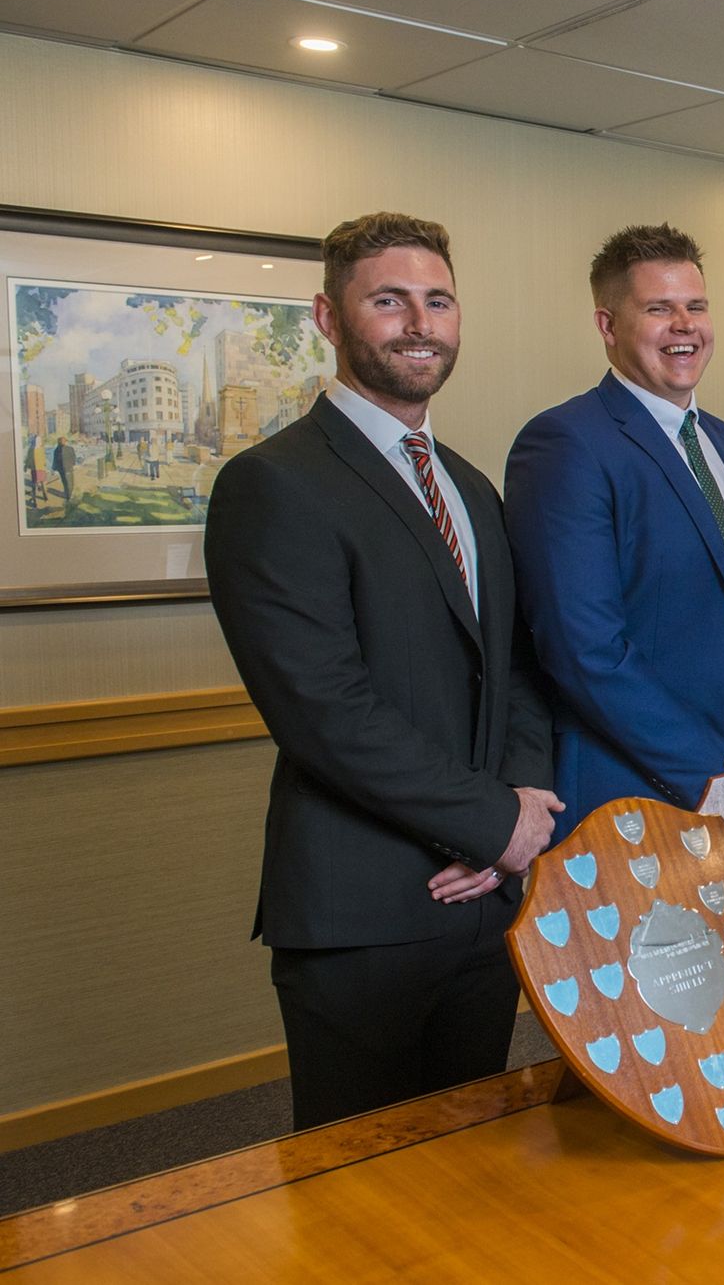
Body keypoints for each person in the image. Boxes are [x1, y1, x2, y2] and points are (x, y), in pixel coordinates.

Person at [205, 212, 558, 1130]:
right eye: (389, 300)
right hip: (362, 908)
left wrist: (520, 809)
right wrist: (490, 825)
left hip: (481, 901)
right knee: (353, 1198)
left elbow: (516, 671)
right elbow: (323, 707)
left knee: (472, 1165)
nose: (419, 323)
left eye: (437, 300)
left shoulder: (470, 488)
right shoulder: (273, 483)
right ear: (329, 318)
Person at [506, 223, 724, 835]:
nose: (684, 325)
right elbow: (584, 649)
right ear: (607, 326)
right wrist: (714, 777)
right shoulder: (566, 444)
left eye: (695, 306)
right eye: (658, 309)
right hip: (631, 795)